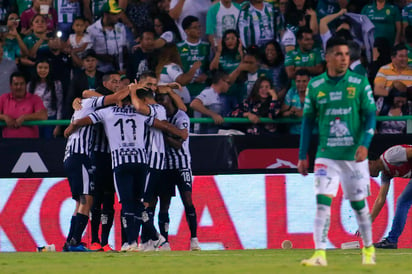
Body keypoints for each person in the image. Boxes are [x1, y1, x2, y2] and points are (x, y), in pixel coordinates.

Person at [298, 37, 377, 266]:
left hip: (354, 155)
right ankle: (320, 254)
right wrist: (302, 155)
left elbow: (371, 115)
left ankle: (368, 248)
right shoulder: (315, 86)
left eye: (346, 55)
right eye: (339, 54)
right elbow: (307, 123)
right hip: (326, 155)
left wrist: (365, 144)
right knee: (322, 202)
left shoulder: (359, 82)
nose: (344, 59)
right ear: (328, 56)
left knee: (358, 205)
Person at [61, 82, 130, 252]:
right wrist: (133, 88)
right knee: (87, 199)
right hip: (80, 156)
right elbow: (106, 96)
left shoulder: (84, 106)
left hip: (73, 156)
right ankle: (75, 242)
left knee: (80, 202)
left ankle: (70, 241)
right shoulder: (90, 103)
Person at [156, 89, 201, 251]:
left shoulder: (181, 117)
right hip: (165, 166)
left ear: (170, 99)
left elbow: (179, 142)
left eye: (163, 98)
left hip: (182, 165)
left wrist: (162, 133)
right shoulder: (159, 118)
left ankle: (194, 239)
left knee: (188, 201)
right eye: (158, 99)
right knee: (164, 205)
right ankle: (165, 242)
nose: (160, 101)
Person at [368, 144, 412, 249]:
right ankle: (392, 241)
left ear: (370, 163)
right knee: (403, 201)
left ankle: (392, 240)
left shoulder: (390, 156)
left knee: (403, 201)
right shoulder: (386, 174)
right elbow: (380, 199)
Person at [0, 71, 47, 138]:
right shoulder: (3, 98)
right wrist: (5, 117)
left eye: (22, 84)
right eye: (16, 84)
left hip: (31, 143)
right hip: (7, 143)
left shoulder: (35, 98)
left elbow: (43, 115)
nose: (19, 87)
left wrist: (24, 117)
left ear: (26, 85)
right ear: (11, 86)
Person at [209, 29, 244, 114]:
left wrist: (241, 52)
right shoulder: (221, 55)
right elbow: (212, 68)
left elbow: (245, 67)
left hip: (239, 93)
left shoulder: (242, 54)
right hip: (223, 94)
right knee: (225, 121)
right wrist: (219, 51)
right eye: (227, 39)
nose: (230, 41)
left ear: (238, 40)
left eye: (233, 38)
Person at [87, 1, 127, 73]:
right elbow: (89, 52)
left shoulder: (121, 27)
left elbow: (124, 48)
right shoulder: (92, 29)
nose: (117, 17)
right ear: (106, 14)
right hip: (100, 70)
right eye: (114, 14)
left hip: (119, 70)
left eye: (117, 14)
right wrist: (103, 57)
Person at [27, 59, 63, 139]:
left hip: (50, 119)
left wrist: (58, 125)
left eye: (45, 68)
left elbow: (59, 105)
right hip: (35, 120)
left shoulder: (56, 84)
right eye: (40, 67)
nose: (43, 70)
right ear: (36, 69)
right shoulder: (30, 85)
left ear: (49, 69)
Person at [177, 16, 210, 98]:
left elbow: (211, 67)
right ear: (187, 31)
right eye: (195, 27)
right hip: (185, 89)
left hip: (203, 89)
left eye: (199, 26)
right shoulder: (179, 47)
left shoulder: (206, 46)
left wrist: (207, 76)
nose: (199, 29)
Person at [281, 69, 310, 134]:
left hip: (312, 133)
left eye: (304, 81)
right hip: (294, 133)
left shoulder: (314, 93)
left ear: (309, 81)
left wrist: (303, 113)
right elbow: (282, 112)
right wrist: (290, 112)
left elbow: (320, 112)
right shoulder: (291, 92)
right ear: (295, 82)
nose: (301, 84)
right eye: (298, 81)